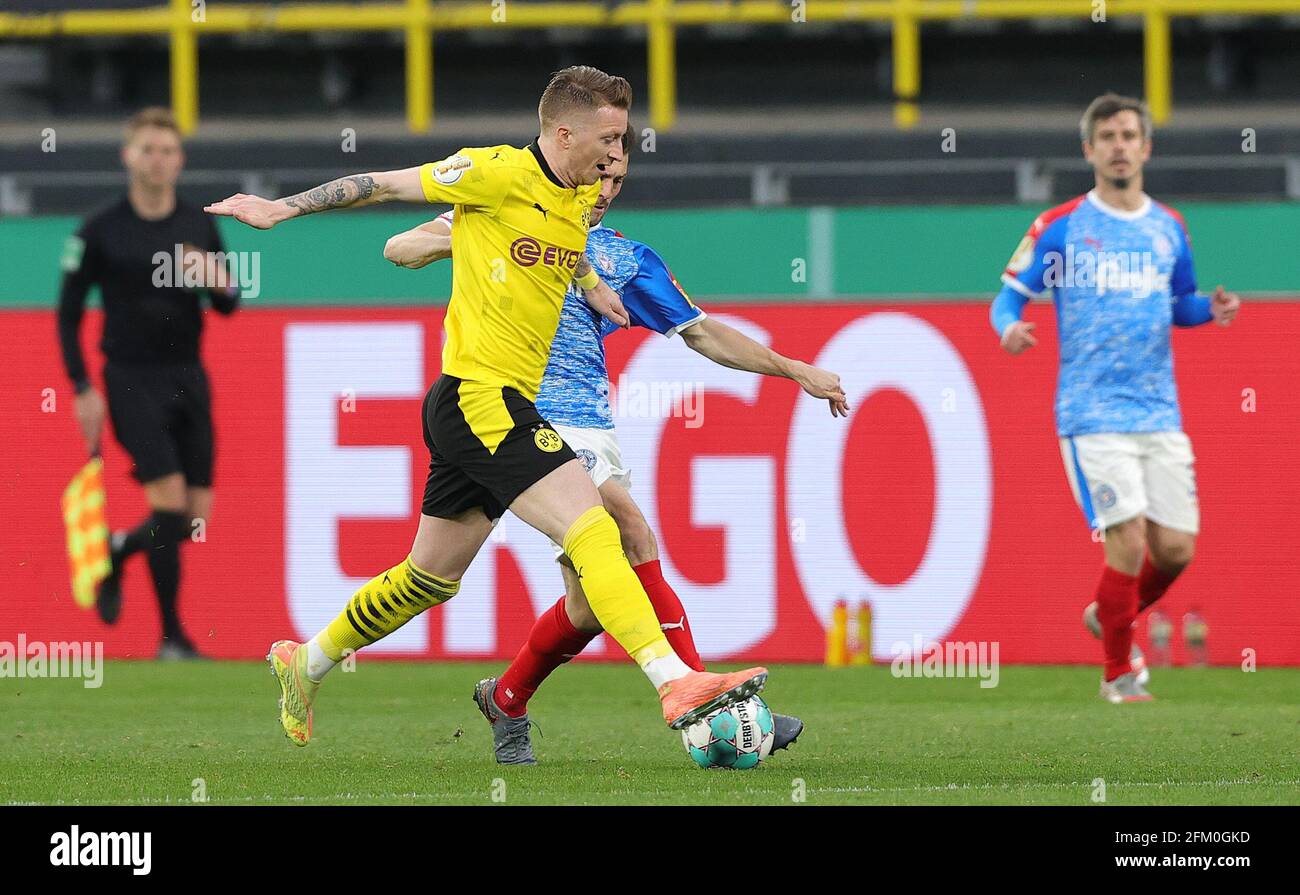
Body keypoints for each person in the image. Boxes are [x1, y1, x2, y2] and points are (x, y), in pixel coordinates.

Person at [205, 66, 768, 746]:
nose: (618, 154)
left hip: (479, 408)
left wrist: (590, 283)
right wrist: (282, 208)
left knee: (429, 578)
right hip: (481, 396)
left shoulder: (572, 198)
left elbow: (562, 247)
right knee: (592, 526)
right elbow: (382, 184)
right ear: (564, 133)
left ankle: (306, 661)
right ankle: (673, 679)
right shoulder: (492, 173)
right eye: (609, 137)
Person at [385, 127, 849, 764]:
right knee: (631, 532)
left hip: (589, 427)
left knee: (588, 603)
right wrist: (463, 238)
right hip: (513, 408)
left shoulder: (624, 258)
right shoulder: (507, 205)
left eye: (618, 178)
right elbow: (399, 246)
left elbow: (703, 334)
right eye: (598, 172)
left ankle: (508, 697)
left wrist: (796, 369)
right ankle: (705, 695)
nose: (604, 189)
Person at [991, 93, 1241, 703]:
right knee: (1127, 541)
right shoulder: (1061, 226)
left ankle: (1111, 613)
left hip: (1159, 410)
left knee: (1176, 550)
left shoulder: (1169, 227)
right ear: (1089, 150)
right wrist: (1009, 328)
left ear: (1146, 146)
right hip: (1091, 412)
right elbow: (1009, 294)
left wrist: (1209, 310)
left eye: (1130, 135)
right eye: (1107, 137)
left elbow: (1177, 303)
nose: (1120, 145)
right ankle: (1118, 673)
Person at [58, 106, 240, 659]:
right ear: (128, 156)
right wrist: (81, 388)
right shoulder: (99, 230)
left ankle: (116, 551)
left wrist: (216, 280)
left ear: (179, 160)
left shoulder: (197, 225)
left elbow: (230, 302)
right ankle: (171, 639)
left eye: (167, 150)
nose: (157, 159)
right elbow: (67, 313)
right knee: (169, 506)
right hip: (130, 379)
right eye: (147, 149)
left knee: (195, 517)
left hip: (188, 375)